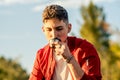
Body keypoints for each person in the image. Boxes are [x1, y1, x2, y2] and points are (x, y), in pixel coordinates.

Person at [29, 4, 102, 80]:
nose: (54, 35)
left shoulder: (85, 49)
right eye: (49, 30)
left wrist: (69, 58)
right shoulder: (41, 55)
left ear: (69, 28)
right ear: (43, 30)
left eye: (59, 29)